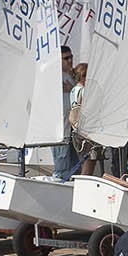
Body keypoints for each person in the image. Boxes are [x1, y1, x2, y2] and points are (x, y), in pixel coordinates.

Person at [70, 62, 103, 177]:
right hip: (87, 131)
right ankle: (83, 186)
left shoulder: (74, 90)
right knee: (90, 162)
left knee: (84, 160)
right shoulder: (84, 91)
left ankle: (82, 183)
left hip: (77, 130)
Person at [53, 47, 77, 180]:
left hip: (73, 129)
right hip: (61, 130)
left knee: (73, 167)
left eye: (71, 57)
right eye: (66, 58)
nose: (70, 61)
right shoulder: (54, 77)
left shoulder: (73, 76)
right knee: (61, 167)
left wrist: (72, 88)